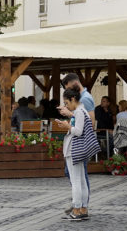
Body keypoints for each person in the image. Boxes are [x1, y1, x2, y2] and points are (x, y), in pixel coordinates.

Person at [54, 88, 91, 221]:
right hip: (77, 149)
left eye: (66, 102)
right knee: (80, 180)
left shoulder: (79, 111)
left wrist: (67, 126)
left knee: (76, 181)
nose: (66, 106)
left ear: (73, 99)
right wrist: (68, 122)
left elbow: (78, 131)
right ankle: (83, 209)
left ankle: (76, 209)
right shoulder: (80, 111)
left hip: (74, 150)